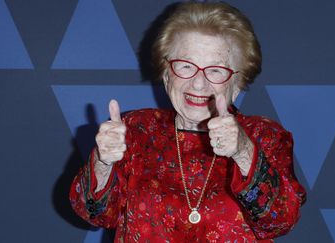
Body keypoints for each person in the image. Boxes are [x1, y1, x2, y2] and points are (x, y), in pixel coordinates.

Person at [70, 2, 306, 242]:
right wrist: (102, 162)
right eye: (185, 66)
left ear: (238, 83)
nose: (198, 84)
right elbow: (94, 215)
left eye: (215, 70)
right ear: (165, 74)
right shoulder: (135, 130)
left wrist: (243, 152)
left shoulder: (263, 136)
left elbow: (280, 221)